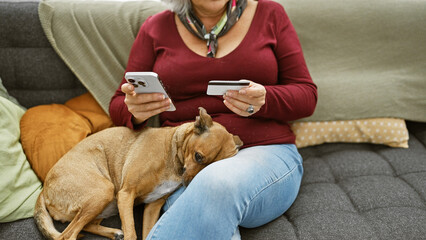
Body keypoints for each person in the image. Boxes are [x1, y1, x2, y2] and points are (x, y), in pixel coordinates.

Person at [109, 0, 317, 239]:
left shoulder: (271, 14)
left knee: (215, 183)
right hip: (183, 166)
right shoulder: (156, 28)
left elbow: (307, 95)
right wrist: (134, 110)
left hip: (264, 153)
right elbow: (118, 104)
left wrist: (266, 99)